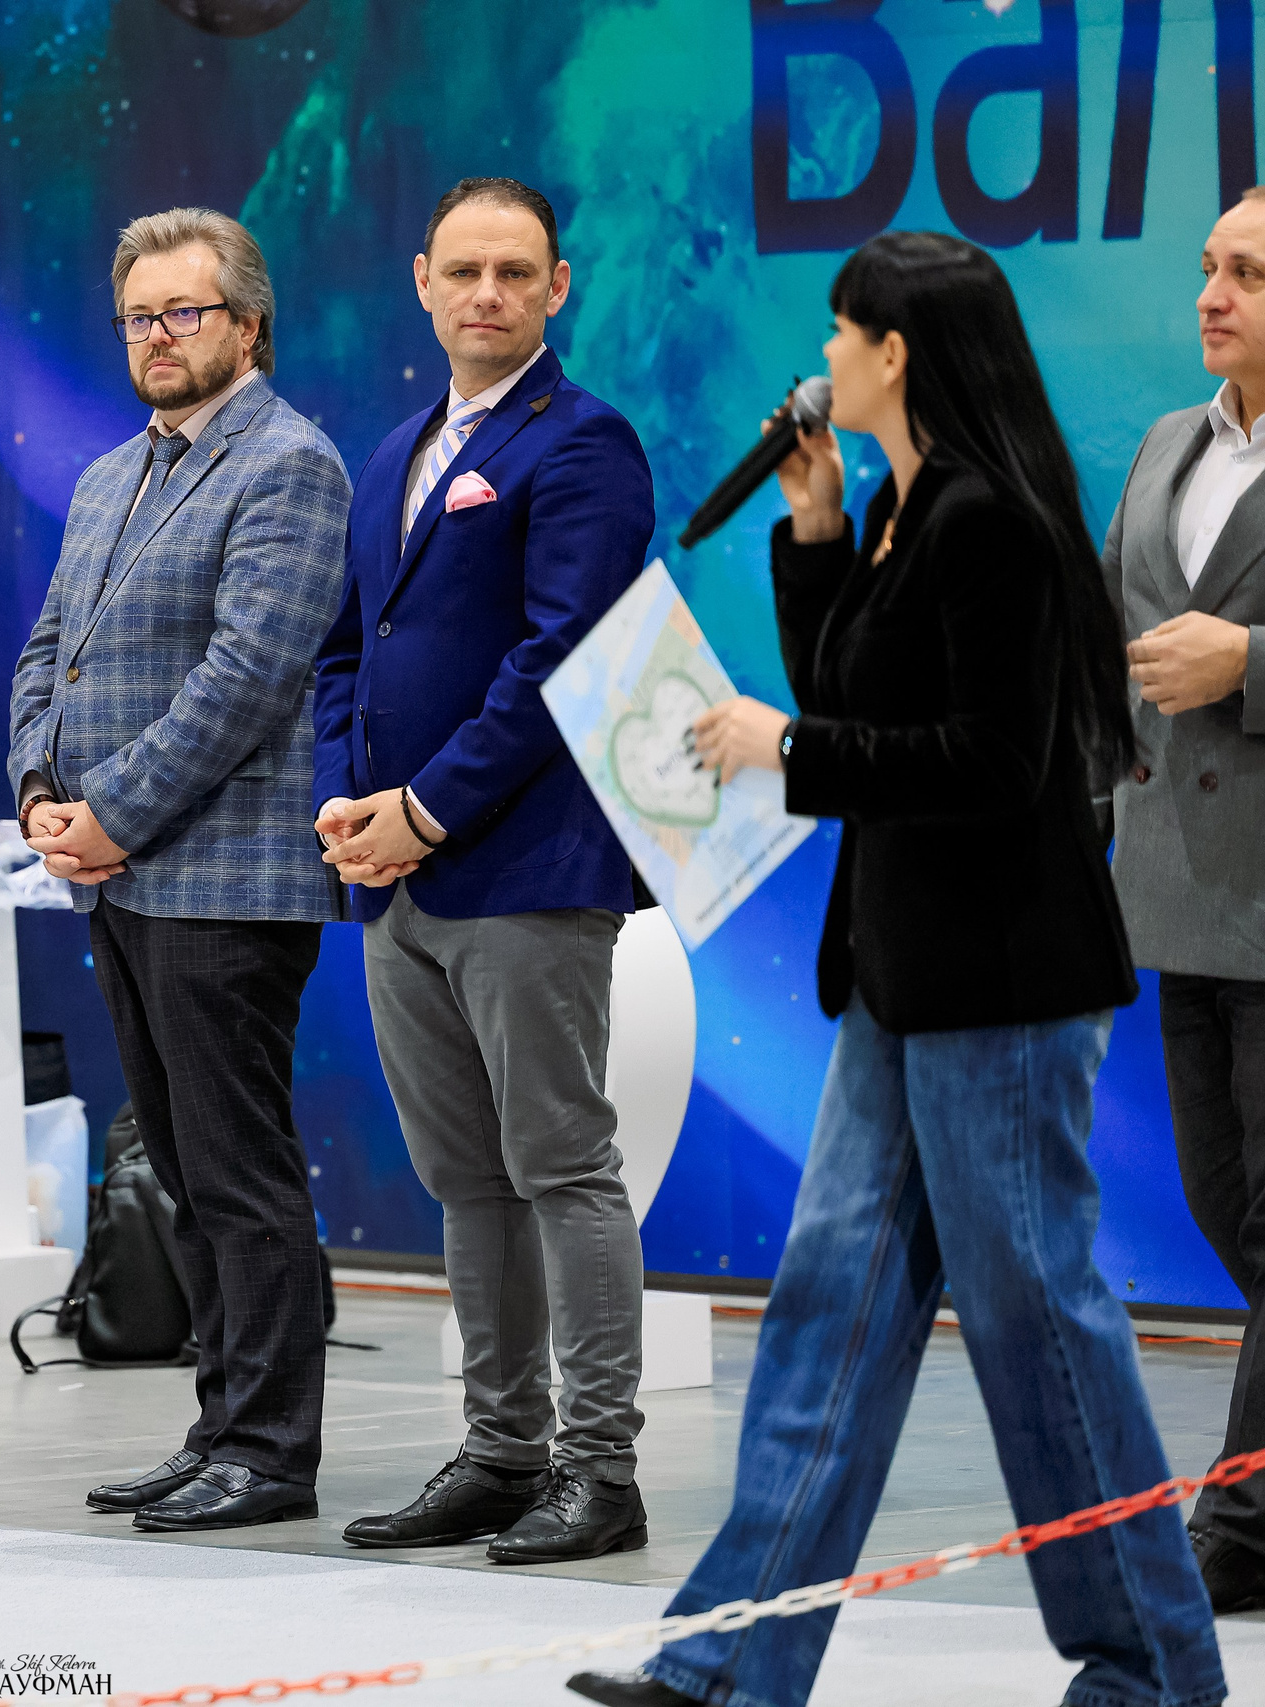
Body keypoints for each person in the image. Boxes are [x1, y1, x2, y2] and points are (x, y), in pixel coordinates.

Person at [570, 233, 1222, 1707]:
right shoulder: (895, 509)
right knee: (831, 1306)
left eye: (841, 329)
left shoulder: (993, 520)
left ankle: (1155, 1662)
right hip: (898, 974)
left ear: (898, 350)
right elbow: (854, 701)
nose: (824, 353)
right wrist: (808, 538)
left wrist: (782, 750)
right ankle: (735, 1652)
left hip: (1000, 982)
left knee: (1037, 1316)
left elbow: (991, 763)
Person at [310, 178, 656, 1563]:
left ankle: (598, 1467)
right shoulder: (398, 446)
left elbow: (560, 656)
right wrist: (347, 800)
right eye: (465, 270)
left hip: (524, 866)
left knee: (563, 1165)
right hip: (396, 876)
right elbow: (347, 648)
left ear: (558, 288)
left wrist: (427, 810)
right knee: (468, 1181)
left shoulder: (586, 441)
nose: (489, 294)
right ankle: (501, 1449)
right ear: (422, 279)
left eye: (517, 272)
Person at [10, 208, 349, 1533]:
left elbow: (251, 676)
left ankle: (270, 1448)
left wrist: (116, 811)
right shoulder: (108, 477)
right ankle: (218, 1422)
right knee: (185, 1170)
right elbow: (50, 650)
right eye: (139, 316)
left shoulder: (291, 465)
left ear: (247, 325)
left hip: (226, 877)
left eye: (183, 313)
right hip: (120, 875)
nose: (157, 336)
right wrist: (44, 792)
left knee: (238, 1171)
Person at [1101, 186, 1265, 1616]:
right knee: (1230, 1206)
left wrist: (1254, 663)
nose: (1212, 294)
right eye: (1211, 267)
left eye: (1250, 275)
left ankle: (1247, 1522)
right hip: (1173, 894)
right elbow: (1112, 650)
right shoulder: (1168, 442)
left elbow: (1219, 655)